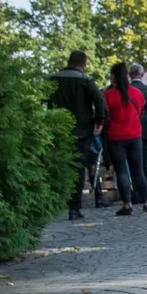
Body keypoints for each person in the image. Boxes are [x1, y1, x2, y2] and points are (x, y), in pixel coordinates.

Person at [48, 51, 106, 220]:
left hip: (58, 129)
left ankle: (57, 203)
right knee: (79, 168)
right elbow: (99, 100)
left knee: (59, 167)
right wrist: (98, 120)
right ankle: (74, 207)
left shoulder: (53, 79)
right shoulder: (86, 81)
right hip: (82, 130)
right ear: (83, 64)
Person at [103, 62, 147, 215]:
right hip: (135, 136)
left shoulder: (109, 95)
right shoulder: (137, 93)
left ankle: (127, 204)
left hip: (116, 137)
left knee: (122, 171)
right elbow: (141, 113)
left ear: (113, 77)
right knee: (138, 170)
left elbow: (105, 115)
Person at [128, 64, 147, 204]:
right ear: (142, 74)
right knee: (146, 164)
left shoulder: (126, 91)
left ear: (129, 74)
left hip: (130, 132)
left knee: (133, 164)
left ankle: (136, 194)